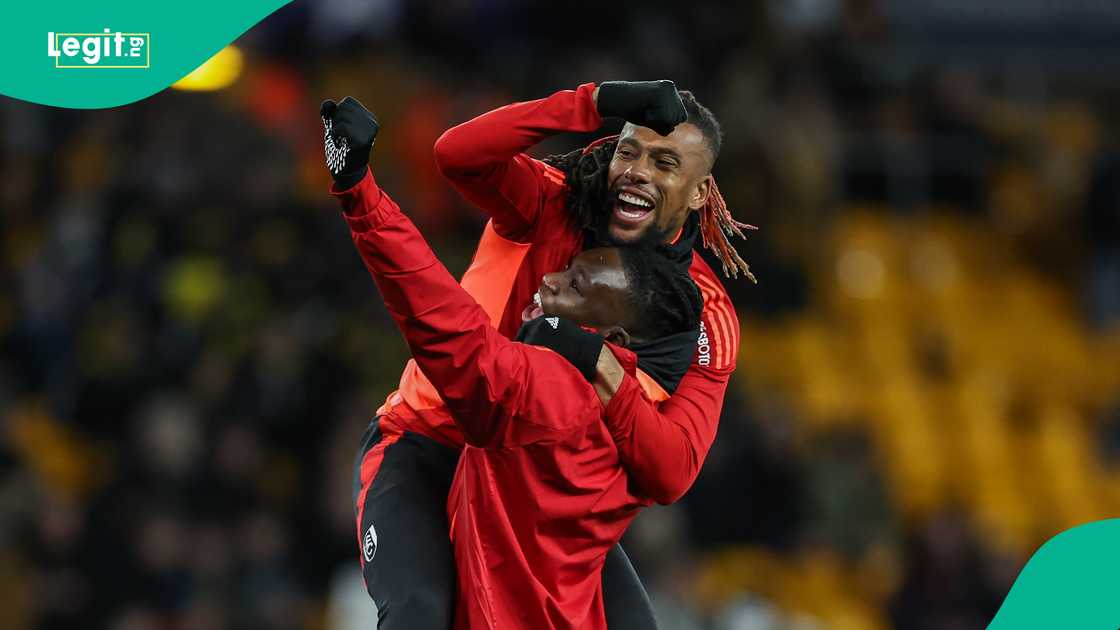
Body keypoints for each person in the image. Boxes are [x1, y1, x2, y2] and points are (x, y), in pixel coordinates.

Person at [325, 80, 750, 629]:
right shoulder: (555, 201)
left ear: (699, 192)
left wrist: (589, 356)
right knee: (417, 615)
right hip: (429, 443)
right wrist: (594, 102)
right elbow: (457, 155)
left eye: (665, 161)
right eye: (628, 150)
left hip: (536, 488)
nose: (637, 172)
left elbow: (671, 471)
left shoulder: (703, 313)